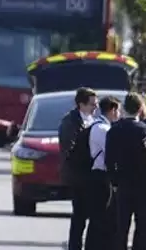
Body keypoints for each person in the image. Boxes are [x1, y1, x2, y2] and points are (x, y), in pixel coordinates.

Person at [106, 92, 146, 250]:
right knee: (144, 226)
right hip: (145, 185)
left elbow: (109, 160)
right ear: (140, 109)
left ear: (123, 109)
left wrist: (114, 182)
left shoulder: (114, 131)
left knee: (121, 226)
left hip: (123, 184)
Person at [58, 87, 98, 250]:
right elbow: (69, 148)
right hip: (78, 175)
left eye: (96, 104)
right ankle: (75, 246)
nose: (95, 108)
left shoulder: (92, 119)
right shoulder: (70, 121)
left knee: (91, 214)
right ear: (81, 104)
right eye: (91, 104)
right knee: (79, 214)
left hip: (90, 175)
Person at [85, 96, 121, 250]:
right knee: (101, 215)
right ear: (112, 110)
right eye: (118, 110)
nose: (119, 114)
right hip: (100, 176)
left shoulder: (98, 125)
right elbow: (112, 152)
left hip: (98, 175)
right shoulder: (103, 129)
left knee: (99, 215)